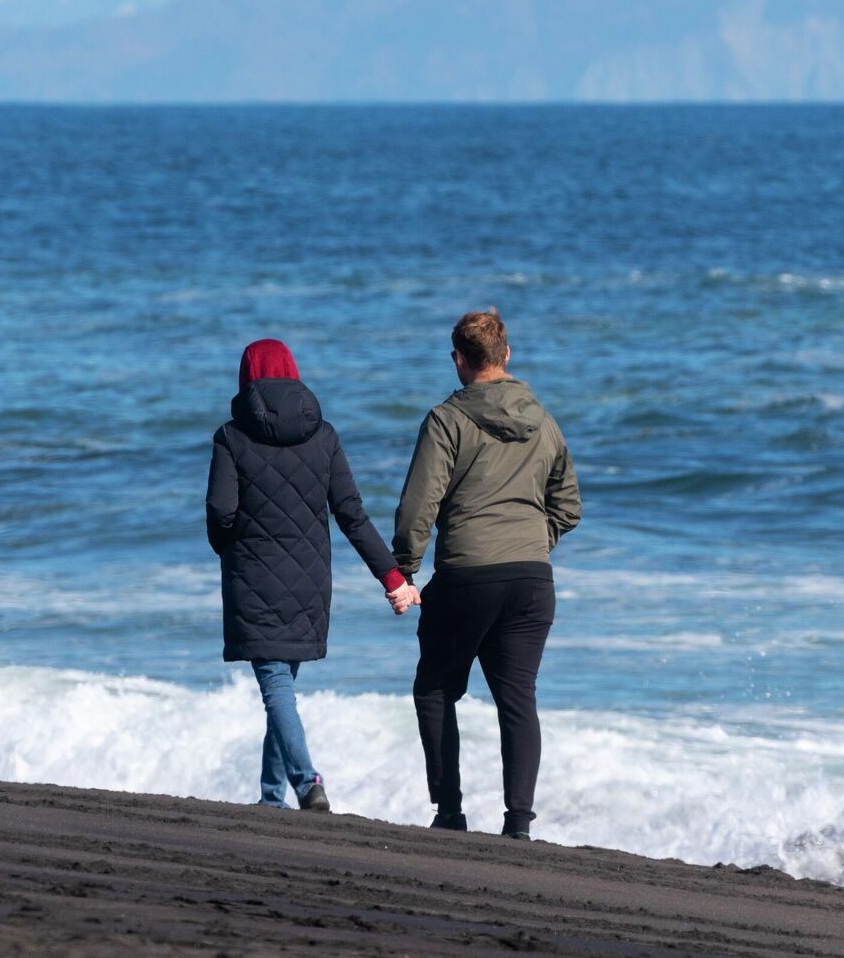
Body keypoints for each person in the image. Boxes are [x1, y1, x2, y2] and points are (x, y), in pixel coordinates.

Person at [392, 309, 580, 840]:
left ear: (459, 359)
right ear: (507, 356)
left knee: (434, 688)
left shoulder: (446, 419)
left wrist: (405, 569)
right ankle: (518, 823)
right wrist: (533, 543)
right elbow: (568, 505)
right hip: (531, 580)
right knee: (517, 697)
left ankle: (450, 812)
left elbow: (417, 508)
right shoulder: (542, 420)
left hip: (467, 577)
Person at [206, 338, 417, 811]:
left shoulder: (230, 437)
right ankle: (270, 797)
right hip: (311, 582)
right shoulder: (324, 435)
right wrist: (393, 579)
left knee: (276, 686)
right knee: (281, 687)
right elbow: (352, 516)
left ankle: (306, 783)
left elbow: (220, 512)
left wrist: (230, 550)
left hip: (253, 580)